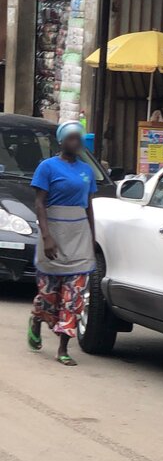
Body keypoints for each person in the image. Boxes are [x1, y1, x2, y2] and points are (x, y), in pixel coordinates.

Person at [27, 121, 97, 367]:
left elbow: (88, 205)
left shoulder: (86, 170)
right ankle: (37, 319)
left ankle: (63, 347)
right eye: (71, 138)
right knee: (49, 294)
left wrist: (92, 236)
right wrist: (46, 236)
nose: (76, 142)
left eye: (79, 138)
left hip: (78, 235)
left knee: (74, 295)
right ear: (61, 141)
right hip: (54, 232)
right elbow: (39, 204)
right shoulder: (47, 167)